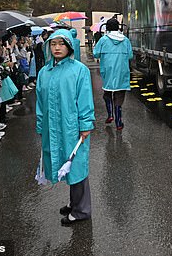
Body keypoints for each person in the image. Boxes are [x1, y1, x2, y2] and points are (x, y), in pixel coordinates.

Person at [36, 29, 95, 225]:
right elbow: (40, 103)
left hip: (72, 128)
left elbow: (85, 100)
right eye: (53, 44)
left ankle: (82, 210)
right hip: (52, 127)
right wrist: (40, 125)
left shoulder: (79, 70)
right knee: (65, 165)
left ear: (69, 46)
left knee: (76, 167)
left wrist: (85, 125)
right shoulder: (44, 72)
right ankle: (75, 203)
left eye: (61, 43)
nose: (57, 47)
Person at [93, 18, 133, 130]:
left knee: (107, 93)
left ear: (107, 28)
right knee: (119, 96)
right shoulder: (125, 40)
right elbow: (130, 56)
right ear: (118, 27)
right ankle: (119, 122)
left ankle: (110, 114)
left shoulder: (103, 40)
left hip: (108, 71)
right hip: (122, 72)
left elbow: (96, 54)